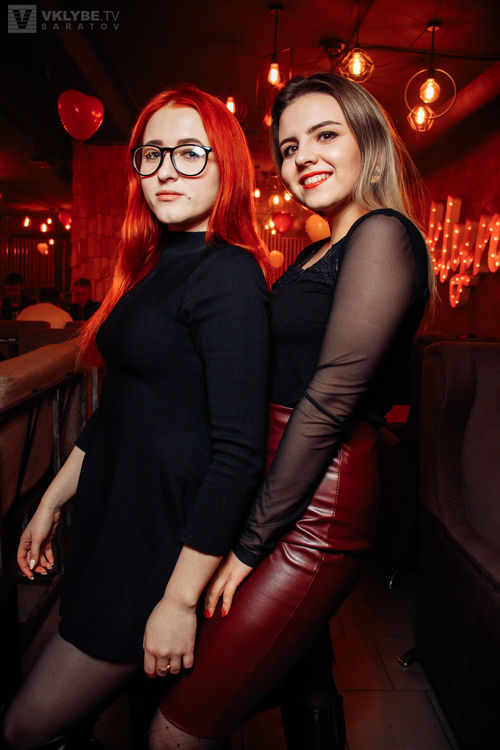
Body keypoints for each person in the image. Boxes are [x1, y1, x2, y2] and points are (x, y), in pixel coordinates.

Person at [144, 73, 433, 750]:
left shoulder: (384, 234)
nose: (304, 156)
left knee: (176, 729)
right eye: (290, 146)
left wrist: (248, 544)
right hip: (280, 481)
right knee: (306, 672)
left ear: (368, 142)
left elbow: (329, 399)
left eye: (325, 135)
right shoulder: (313, 254)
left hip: (320, 503)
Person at [2, 85, 270, 750]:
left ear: (228, 165)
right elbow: (117, 412)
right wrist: (52, 503)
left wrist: (178, 602)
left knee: (26, 726)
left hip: (161, 544)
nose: (166, 170)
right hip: (113, 524)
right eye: (152, 154)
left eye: (189, 152)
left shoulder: (229, 274)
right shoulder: (152, 266)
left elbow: (238, 454)